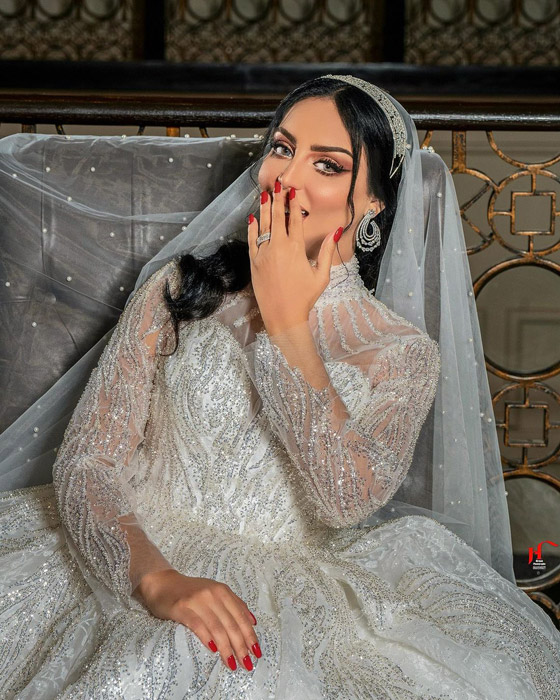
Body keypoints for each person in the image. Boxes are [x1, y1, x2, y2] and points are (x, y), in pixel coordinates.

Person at [0, 74, 559, 699]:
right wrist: (155, 580)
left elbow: (344, 501)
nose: (287, 177)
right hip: (137, 546)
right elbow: (88, 460)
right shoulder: (180, 288)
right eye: (282, 148)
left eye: (328, 163)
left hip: (291, 588)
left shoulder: (401, 353)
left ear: (373, 202)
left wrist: (287, 324)